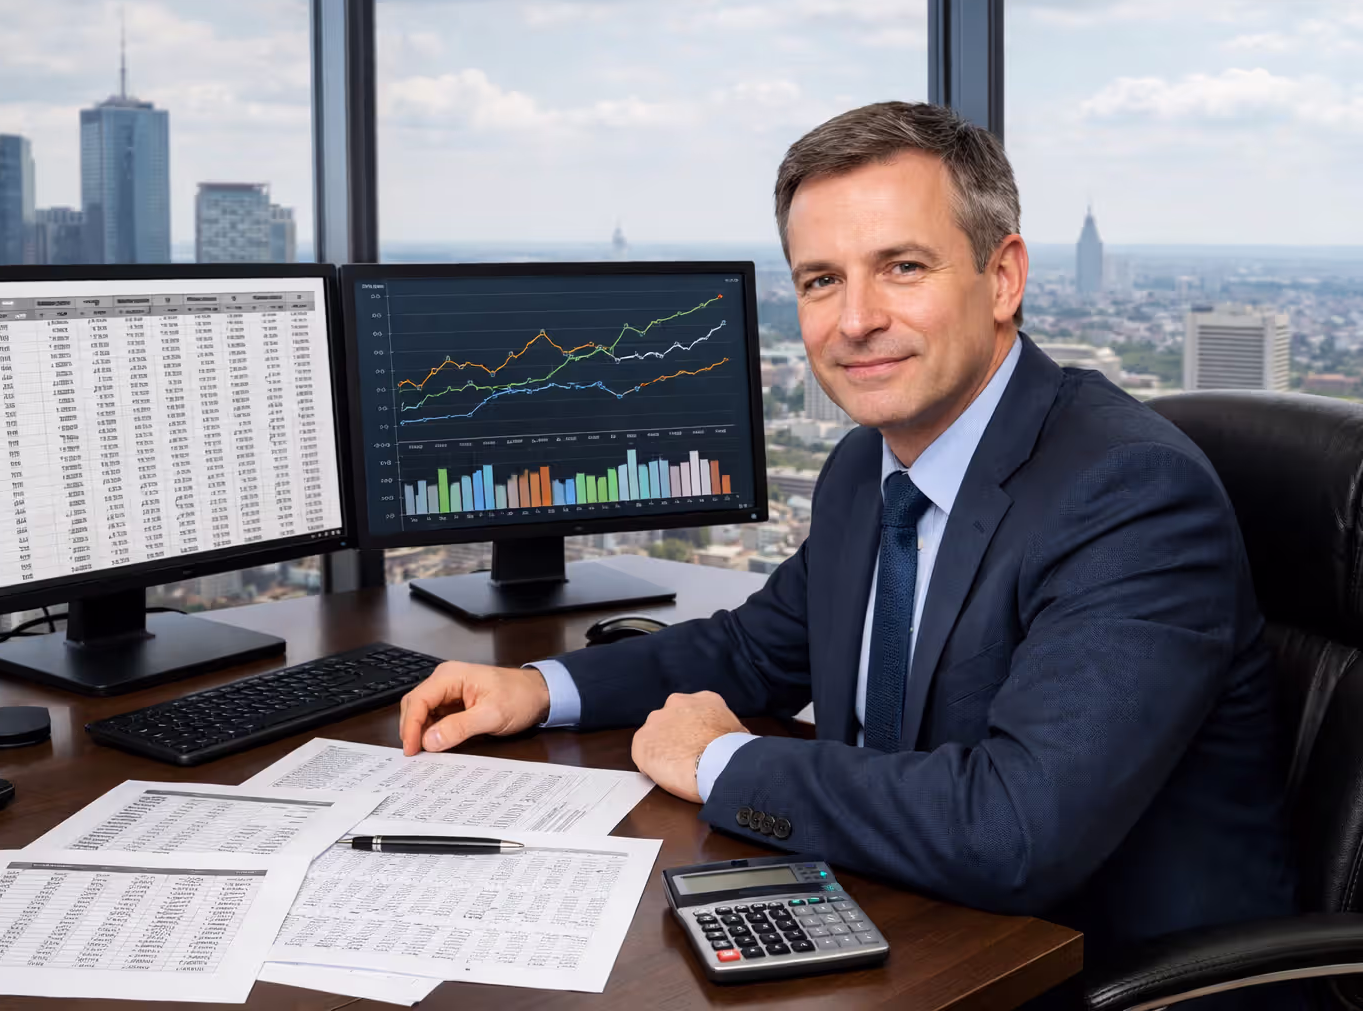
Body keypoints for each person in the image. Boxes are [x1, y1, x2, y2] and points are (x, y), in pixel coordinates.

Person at [396, 101, 1294, 980]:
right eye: (821, 279)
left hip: (1088, 972)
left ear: (1004, 277)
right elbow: (754, 649)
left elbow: (1013, 833)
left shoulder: (1130, 494)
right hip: (908, 926)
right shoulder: (869, 468)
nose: (854, 319)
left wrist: (720, 760)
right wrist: (539, 688)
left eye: (901, 267)